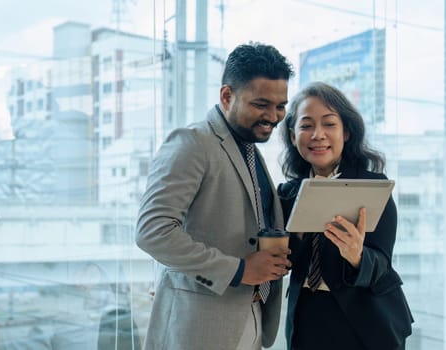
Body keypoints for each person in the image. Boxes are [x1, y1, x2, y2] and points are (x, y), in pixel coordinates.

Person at [136, 42, 294, 350]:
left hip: (250, 319)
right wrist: (239, 270)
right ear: (226, 96)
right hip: (199, 326)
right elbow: (151, 232)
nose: (273, 116)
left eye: (280, 106)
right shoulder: (192, 143)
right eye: (261, 104)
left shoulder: (248, 149)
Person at [277, 81, 414, 350]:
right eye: (306, 126)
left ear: (346, 132)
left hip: (365, 322)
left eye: (329, 124)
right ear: (293, 136)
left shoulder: (373, 187)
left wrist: (357, 256)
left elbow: (382, 264)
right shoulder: (286, 194)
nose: (318, 134)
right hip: (307, 318)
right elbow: (285, 260)